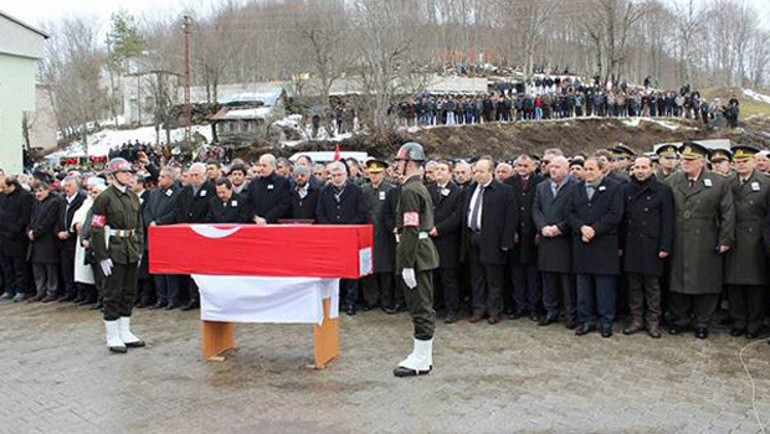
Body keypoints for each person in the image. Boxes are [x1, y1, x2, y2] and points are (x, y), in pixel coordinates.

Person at [666, 142, 735, 339]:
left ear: (701, 162)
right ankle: (680, 319)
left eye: (689, 160)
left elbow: (727, 213)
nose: (684, 163)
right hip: (678, 237)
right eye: (683, 159)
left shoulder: (719, 182)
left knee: (706, 282)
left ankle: (702, 322)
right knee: (677, 281)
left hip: (706, 238)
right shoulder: (672, 180)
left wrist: (725, 239)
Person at [392, 142, 440, 378]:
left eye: (399, 162)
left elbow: (411, 229)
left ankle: (422, 359)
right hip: (421, 251)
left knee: (420, 306)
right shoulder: (417, 187)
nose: (396, 166)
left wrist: (407, 264)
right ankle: (422, 355)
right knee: (420, 304)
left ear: (408, 163)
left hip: (417, 255)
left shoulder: (410, 190)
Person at [90, 158, 145, 353]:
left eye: (130, 172)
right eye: (124, 172)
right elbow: (96, 228)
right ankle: (112, 335)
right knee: (112, 293)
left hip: (130, 247)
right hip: (114, 249)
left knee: (129, 292)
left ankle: (125, 331)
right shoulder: (104, 198)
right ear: (113, 175)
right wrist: (102, 256)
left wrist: (139, 249)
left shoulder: (133, 197)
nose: (128, 175)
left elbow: (139, 226)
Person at [568, 157, 624, 338]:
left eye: (592, 169)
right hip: (582, 243)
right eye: (586, 169)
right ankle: (586, 320)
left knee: (604, 287)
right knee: (583, 287)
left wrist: (594, 229)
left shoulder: (614, 188)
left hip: (604, 244)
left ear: (601, 170)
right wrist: (582, 227)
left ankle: (606, 321)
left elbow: (615, 214)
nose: (588, 172)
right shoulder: (575, 188)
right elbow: (569, 213)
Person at [620, 156, 674, 338]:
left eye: (644, 167)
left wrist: (665, 245)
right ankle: (636, 320)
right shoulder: (626, 189)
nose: (640, 171)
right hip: (632, 244)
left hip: (652, 244)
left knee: (652, 286)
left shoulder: (663, 190)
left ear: (652, 168)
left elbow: (668, 221)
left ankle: (653, 322)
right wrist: (620, 245)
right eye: (637, 167)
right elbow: (622, 221)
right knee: (633, 285)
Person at [461, 157, 517, 325]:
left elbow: (511, 218)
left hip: (493, 240)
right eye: (476, 171)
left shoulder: (504, 191)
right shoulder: (471, 190)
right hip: (473, 237)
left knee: (494, 278)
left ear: (491, 171)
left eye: (481, 171)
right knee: (476, 277)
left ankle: (494, 311)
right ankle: (479, 308)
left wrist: (506, 242)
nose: (477, 175)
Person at [724, 145, 770, 339]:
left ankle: (754, 323)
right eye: (737, 162)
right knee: (734, 283)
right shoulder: (728, 182)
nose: (741, 165)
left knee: (755, 285)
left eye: (745, 161)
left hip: (756, 239)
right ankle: (739, 321)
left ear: (753, 162)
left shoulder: (766, 183)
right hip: (733, 237)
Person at [316, 161, 368, 315]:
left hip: (350, 236)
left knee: (351, 271)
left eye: (340, 175)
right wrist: (331, 227)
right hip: (332, 237)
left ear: (346, 175)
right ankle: (336, 299)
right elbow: (320, 213)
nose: (337, 178)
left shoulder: (356, 191)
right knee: (335, 270)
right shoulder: (324, 191)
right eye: (334, 176)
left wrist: (347, 228)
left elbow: (361, 213)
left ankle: (351, 302)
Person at [532, 156, 578, 328]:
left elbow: (576, 212)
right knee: (548, 278)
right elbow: (536, 209)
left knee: (567, 281)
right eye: (551, 167)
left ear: (567, 168)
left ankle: (570, 314)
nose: (553, 170)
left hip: (565, 240)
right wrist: (542, 227)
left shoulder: (575, 186)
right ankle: (550, 311)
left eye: (557, 167)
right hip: (546, 239)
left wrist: (559, 228)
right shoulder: (541, 187)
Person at [505, 154, 545, 320]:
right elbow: (506, 210)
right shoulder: (509, 183)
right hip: (515, 236)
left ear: (534, 166)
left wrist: (539, 231)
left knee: (533, 275)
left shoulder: (541, 183)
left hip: (532, 234)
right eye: (519, 166)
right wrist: (510, 231)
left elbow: (542, 208)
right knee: (516, 274)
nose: (522, 169)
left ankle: (534, 308)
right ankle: (519, 306)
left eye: (525, 166)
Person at [427, 160, 463, 323]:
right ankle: (436, 306)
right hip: (429, 240)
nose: (439, 172)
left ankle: (452, 310)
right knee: (432, 276)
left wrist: (439, 229)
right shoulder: (429, 190)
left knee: (448, 277)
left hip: (447, 240)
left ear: (450, 173)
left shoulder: (457, 191)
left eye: (442, 169)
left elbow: (457, 216)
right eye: (436, 169)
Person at [175, 162, 214, 311]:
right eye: (191, 175)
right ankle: (193, 297)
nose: (194, 178)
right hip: (188, 234)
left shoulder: (211, 190)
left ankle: (205, 297)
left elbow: (212, 210)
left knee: (205, 269)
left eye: (197, 175)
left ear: (204, 175)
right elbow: (179, 210)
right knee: (191, 268)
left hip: (204, 233)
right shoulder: (185, 191)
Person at [361, 159, 396, 311]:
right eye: (371, 173)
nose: (374, 176)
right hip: (367, 233)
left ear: (383, 173)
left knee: (385, 269)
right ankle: (371, 299)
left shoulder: (391, 189)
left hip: (384, 233)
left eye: (377, 173)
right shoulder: (363, 189)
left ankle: (386, 301)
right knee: (369, 268)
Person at [146, 167, 181, 310]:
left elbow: (175, 212)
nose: (159, 179)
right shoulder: (154, 193)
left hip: (168, 235)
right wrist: (149, 221)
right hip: (154, 235)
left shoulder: (177, 194)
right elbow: (147, 210)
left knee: (170, 270)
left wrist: (159, 222)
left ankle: (173, 298)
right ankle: (161, 297)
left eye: (162, 177)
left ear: (170, 179)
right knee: (157, 269)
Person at [0, 176, 34, 302]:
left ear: (12, 185)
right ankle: (9, 289)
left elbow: (25, 218)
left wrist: (14, 230)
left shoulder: (25, 197)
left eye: (4, 187)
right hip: (3, 237)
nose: (3, 190)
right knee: (6, 266)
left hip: (17, 238)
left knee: (19, 266)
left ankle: (21, 289)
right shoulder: (2, 196)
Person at [27, 180, 61, 303]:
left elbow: (48, 222)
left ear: (47, 190)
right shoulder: (35, 204)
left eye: (40, 191)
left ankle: (51, 291)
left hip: (47, 240)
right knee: (38, 267)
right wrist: (29, 231)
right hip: (35, 241)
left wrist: (35, 233)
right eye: (36, 191)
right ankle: (40, 291)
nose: (38, 194)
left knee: (50, 267)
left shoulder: (53, 203)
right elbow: (31, 219)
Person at [56, 175, 86, 302]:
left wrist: (70, 232)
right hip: (62, 239)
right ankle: (69, 291)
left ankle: (81, 292)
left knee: (76, 266)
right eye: (65, 186)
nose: (67, 189)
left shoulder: (82, 199)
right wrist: (58, 232)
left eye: (70, 186)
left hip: (74, 238)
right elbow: (57, 218)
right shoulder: (62, 200)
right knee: (66, 267)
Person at [246, 154, 291, 225]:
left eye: (264, 166)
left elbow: (284, 204)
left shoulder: (282, 182)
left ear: (273, 167)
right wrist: (255, 217)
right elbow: (247, 204)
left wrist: (268, 219)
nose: (261, 168)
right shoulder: (254, 183)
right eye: (260, 165)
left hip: (274, 224)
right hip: (255, 224)